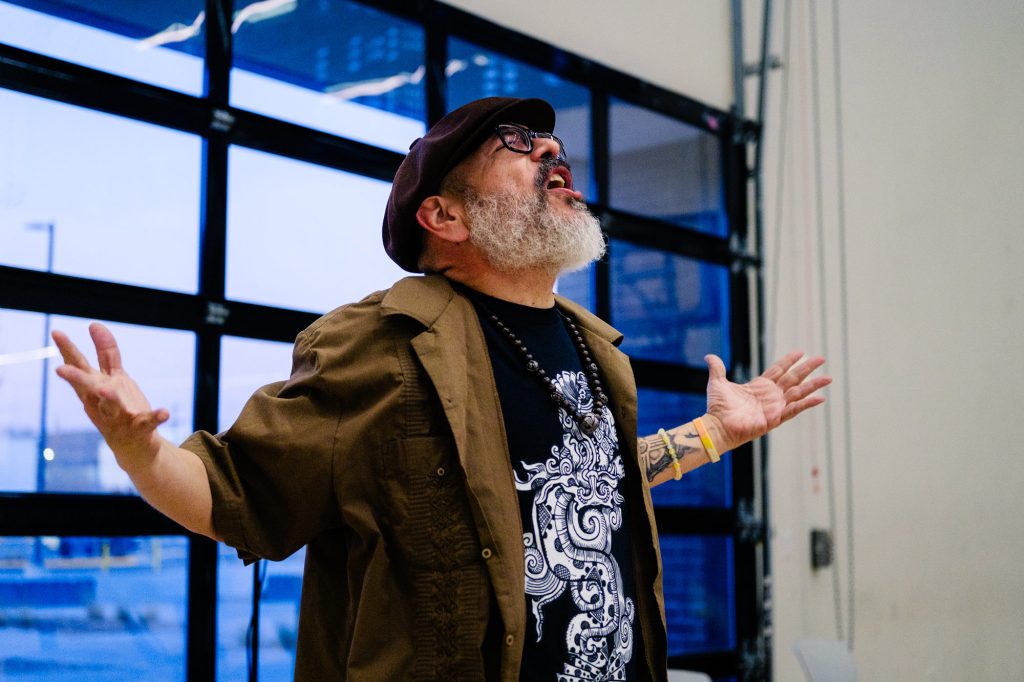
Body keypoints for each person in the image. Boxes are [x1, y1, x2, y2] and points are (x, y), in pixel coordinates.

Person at [52, 97, 830, 681]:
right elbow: (237, 496)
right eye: (518, 145)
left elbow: (590, 483)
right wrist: (141, 450)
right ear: (445, 215)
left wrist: (713, 436)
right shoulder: (379, 347)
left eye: (549, 140)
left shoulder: (597, 349)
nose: (552, 148)